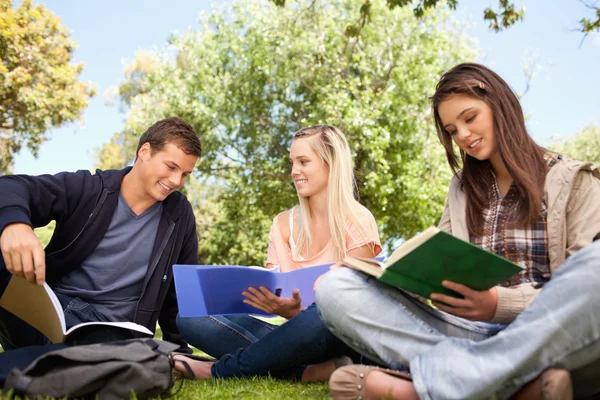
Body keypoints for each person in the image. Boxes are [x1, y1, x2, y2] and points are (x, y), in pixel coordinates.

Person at [315, 63, 600, 399]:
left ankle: (444, 385)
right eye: (452, 130)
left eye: (470, 118)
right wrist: (380, 274)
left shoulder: (576, 180)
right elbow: (436, 267)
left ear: (500, 105)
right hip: (468, 334)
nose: (462, 135)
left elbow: (577, 291)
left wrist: (498, 304)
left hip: (552, 335)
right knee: (336, 286)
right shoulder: (462, 190)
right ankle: (514, 385)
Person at [173, 125, 382, 381]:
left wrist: (298, 314)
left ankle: (220, 370)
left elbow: (353, 309)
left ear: (331, 164)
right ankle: (309, 372)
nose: (294, 171)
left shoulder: (358, 220)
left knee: (319, 317)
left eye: (304, 161)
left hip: (335, 334)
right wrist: (273, 304)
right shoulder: (283, 224)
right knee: (189, 318)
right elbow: (275, 289)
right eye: (292, 162)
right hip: (292, 338)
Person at [0, 117, 201, 354]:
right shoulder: (89, 189)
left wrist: (179, 351)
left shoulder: (179, 214)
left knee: (113, 345)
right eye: (171, 167)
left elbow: (180, 288)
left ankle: (50, 362)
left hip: (112, 333)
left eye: (185, 174)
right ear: (145, 152)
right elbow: (13, 186)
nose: (177, 181)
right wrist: (15, 225)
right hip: (45, 316)